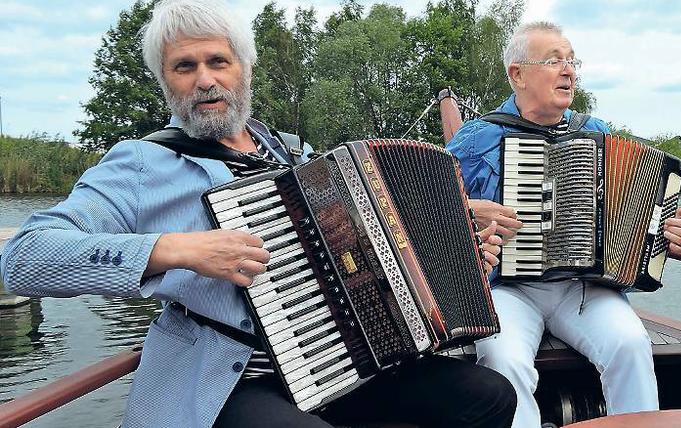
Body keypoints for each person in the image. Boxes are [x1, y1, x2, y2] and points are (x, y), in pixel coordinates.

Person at [0, 1, 514, 427]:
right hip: (230, 375)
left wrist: (459, 245)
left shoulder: (293, 154)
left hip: (337, 360)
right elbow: (25, 257)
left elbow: (370, 257)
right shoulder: (141, 162)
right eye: (184, 67)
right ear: (166, 82)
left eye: (217, 62)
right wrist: (176, 250)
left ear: (243, 70)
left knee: (488, 395)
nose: (204, 80)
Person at [445, 21, 681, 428]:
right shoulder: (477, 138)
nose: (569, 71)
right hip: (507, 288)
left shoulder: (596, 133)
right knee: (503, 360)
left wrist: (666, 230)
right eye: (554, 60)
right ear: (518, 75)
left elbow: (634, 212)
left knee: (631, 344)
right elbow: (426, 208)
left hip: (584, 287)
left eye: (572, 61)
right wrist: (470, 208)